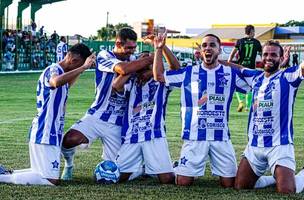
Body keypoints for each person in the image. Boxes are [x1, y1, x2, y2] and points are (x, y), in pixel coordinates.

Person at [153, 34, 250, 187]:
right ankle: (178, 167)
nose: (207, 48)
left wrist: (228, 64)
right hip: (194, 137)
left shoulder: (230, 73)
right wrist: (159, 49)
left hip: (220, 137)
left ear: (219, 50)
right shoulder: (188, 73)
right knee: (183, 183)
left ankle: (270, 180)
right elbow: (159, 76)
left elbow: (256, 80)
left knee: (230, 184)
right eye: (204, 46)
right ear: (200, 50)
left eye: (212, 45)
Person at [60, 28, 154, 180]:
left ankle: (141, 168)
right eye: (129, 48)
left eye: (134, 48)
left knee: (121, 171)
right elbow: (123, 69)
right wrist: (149, 59)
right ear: (118, 43)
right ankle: (69, 165)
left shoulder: (133, 60)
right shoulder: (105, 55)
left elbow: (151, 71)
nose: (132, 51)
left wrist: (148, 69)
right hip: (97, 115)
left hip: (118, 122)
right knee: (69, 140)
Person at [0, 43, 95, 185]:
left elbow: (66, 83)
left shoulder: (62, 73)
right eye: (79, 65)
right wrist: (83, 67)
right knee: (50, 180)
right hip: (45, 130)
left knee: (39, 173)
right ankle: (3, 177)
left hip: (50, 130)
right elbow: (55, 82)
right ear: (73, 60)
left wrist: (81, 68)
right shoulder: (53, 69)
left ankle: (6, 173)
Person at [233, 40, 304, 194]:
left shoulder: (288, 76)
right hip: (254, 145)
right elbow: (239, 68)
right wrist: (217, 60)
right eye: (265, 54)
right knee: (240, 186)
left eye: (273, 54)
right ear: (261, 56)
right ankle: (274, 178)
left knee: (287, 191)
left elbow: (303, 68)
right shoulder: (255, 77)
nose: (268, 57)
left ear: (281, 58)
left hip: (279, 145)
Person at [113, 32, 179, 184]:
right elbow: (116, 86)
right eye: (141, 60)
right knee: (118, 178)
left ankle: (177, 167)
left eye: (148, 60)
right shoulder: (132, 82)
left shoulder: (161, 81)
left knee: (167, 180)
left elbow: (175, 68)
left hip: (154, 133)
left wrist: (160, 48)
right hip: (132, 134)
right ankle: (141, 169)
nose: (144, 62)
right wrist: (133, 70)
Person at [228, 25, 262, 112]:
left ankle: (240, 102)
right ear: (251, 31)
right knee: (251, 87)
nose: (254, 33)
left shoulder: (240, 41)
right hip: (251, 68)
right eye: (254, 31)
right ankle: (247, 107)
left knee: (238, 86)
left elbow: (232, 54)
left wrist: (228, 63)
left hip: (240, 67)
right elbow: (262, 55)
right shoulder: (256, 42)